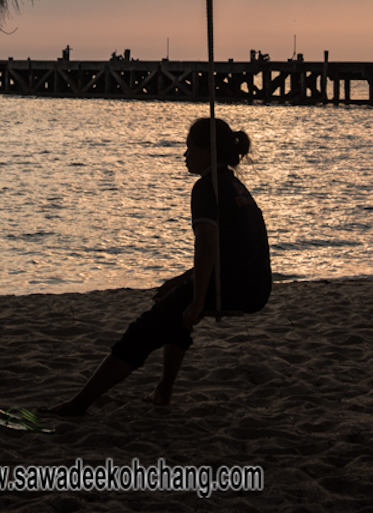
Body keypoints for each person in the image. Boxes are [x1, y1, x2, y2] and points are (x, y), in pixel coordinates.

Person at [52, 117, 272, 417]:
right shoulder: (235, 185)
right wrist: (184, 282)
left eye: (189, 148)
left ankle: (78, 405)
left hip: (232, 287)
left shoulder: (207, 188)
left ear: (207, 152)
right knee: (171, 310)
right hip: (255, 284)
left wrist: (196, 300)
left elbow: (207, 246)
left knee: (143, 331)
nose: (184, 155)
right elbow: (229, 249)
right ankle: (162, 392)